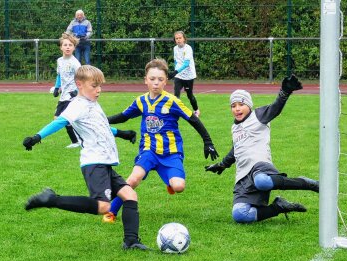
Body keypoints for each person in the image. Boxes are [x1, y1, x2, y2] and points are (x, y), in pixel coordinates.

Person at [22, 65, 148, 250]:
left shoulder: (92, 103)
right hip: (94, 163)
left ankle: (131, 241)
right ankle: (51, 200)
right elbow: (60, 122)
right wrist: (37, 137)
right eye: (94, 86)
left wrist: (122, 133)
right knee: (104, 207)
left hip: (104, 163)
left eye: (100, 86)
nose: (98, 90)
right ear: (79, 84)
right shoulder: (78, 105)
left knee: (130, 195)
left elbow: (100, 127)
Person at [102, 58, 219, 223]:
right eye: (152, 79)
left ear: (166, 82)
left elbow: (193, 119)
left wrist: (208, 142)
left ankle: (170, 181)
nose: (156, 83)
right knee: (134, 179)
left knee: (179, 187)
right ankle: (111, 212)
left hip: (171, 153)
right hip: (148, 150)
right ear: (145, 80)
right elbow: (123, 116)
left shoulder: (173, 101)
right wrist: (103, 120)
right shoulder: (141, 101)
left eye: (160, 79)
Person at [205, 75, 319, 224]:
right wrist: (222, 164)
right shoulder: (235, 127)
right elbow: (236, 149)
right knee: (239, 214)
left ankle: (306, 183)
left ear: (249, 105)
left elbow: (275, 108)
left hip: (259, 166)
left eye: (241, 104)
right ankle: (278, 207)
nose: (237, 108)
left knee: (262, 181)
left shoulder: (258, 116)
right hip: (243, 177)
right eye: (233, 106)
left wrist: (284, 93)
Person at [52, 32, 81, 148]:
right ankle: (76, 140)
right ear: (61, 47)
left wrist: (77, 91)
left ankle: (76, 141)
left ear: (74, 48)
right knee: (59, 118)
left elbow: (81, 78)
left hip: (72, 96)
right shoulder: (59, 61)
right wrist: (56, 87)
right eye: (65, 45)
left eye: (70, 45)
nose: (67, 47)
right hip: (63, 95)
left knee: (61, 118)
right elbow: (59, 75)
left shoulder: (75, 63)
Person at [168, 31, 200, 117]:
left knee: (189, 95)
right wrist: (175, 72)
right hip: (179, 75)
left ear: (184, 39)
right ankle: (176, 112)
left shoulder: (188, 48)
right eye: (176, 38)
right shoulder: (175, 49)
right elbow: (176, 61)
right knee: (176, 94)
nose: (178, 40)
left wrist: (174, 72)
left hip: (188, 76)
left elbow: (186, 64)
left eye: (180, 38)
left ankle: (196, 110)